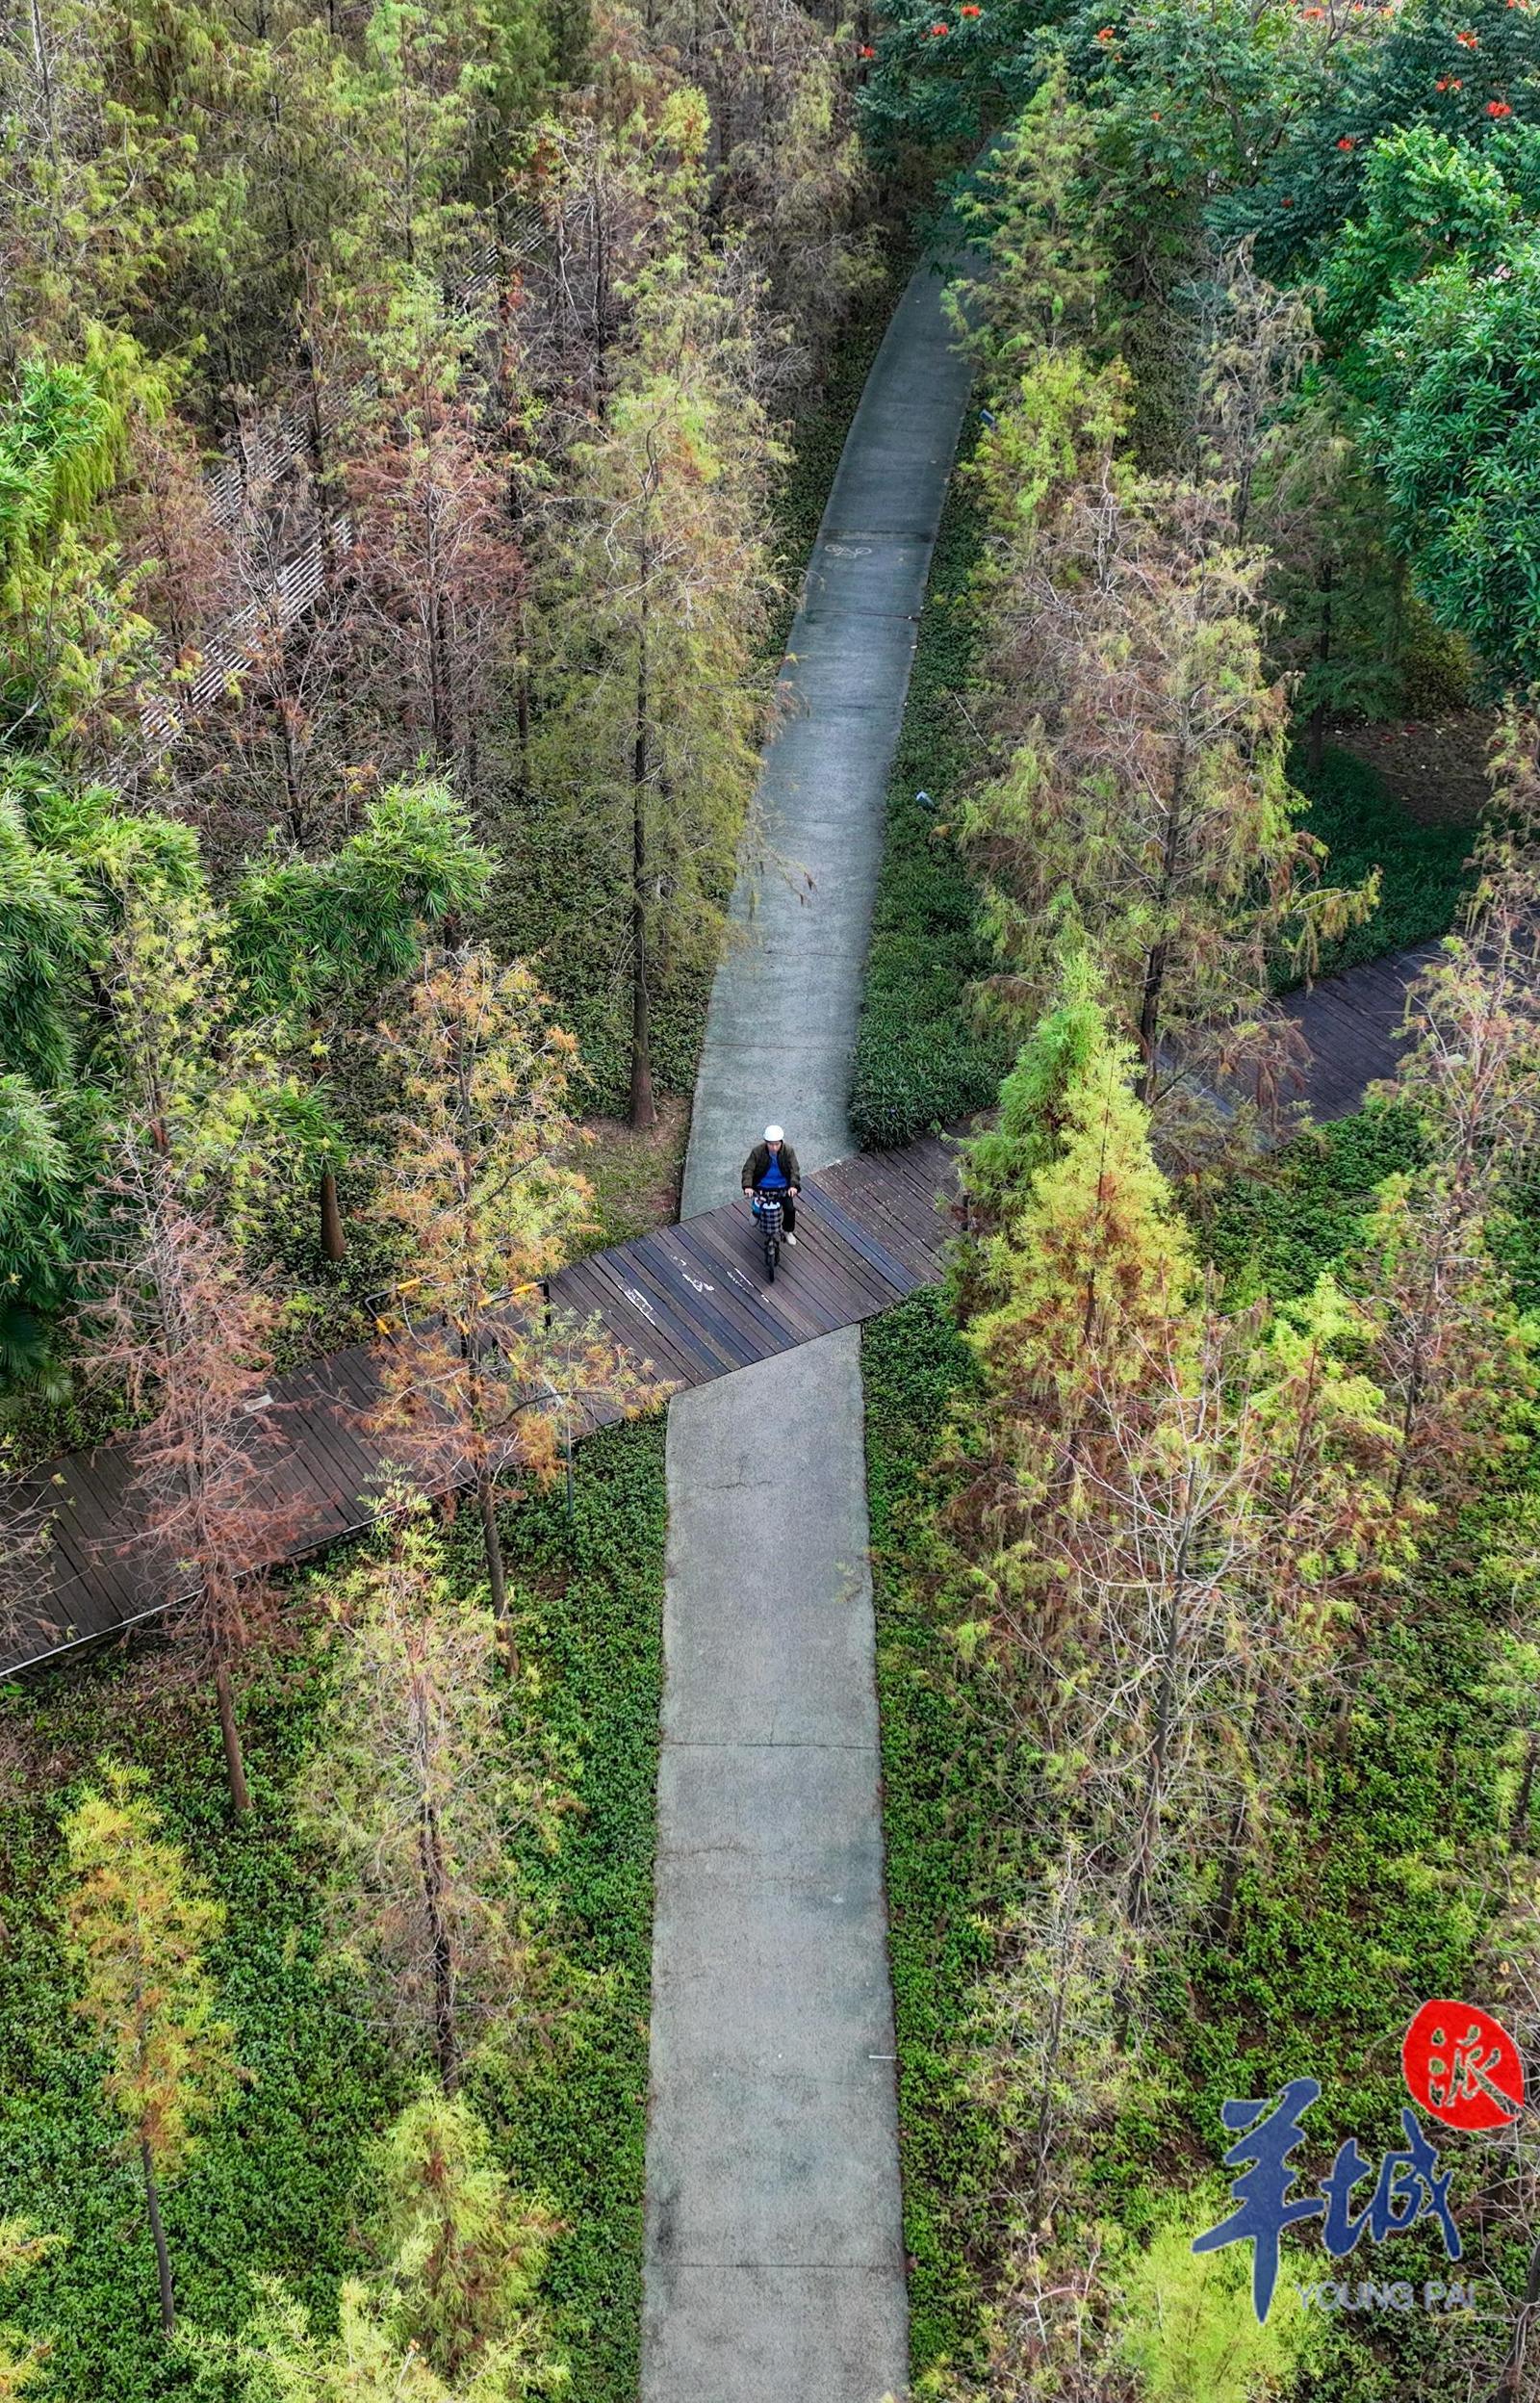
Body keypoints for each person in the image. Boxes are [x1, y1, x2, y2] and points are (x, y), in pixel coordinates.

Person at [741, 1124, 800, 1244]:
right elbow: (748, 1169)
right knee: (759, 1202)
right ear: (766, 1142)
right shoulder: (757, 1152)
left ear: (781, 1142)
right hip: (763, 1186)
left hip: (783, 1186)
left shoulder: (788, 1151)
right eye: (770, 1144)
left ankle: (788, 1231)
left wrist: (793, 1185)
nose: (774, 1147)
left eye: (777, 1144)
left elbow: (794, 1169)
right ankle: (756, 1212)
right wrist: (748, 1186)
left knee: (790, 1209)